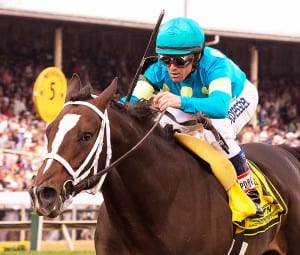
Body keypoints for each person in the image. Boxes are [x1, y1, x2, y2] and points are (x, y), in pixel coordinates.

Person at [122, 17, 262, 216]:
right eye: (165, 59)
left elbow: (220, 107)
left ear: (196, 57)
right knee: (159, 127)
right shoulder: (157, 70)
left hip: (235, 98)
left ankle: (250, 191)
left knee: (216, 130)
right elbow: (129, 103)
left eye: (179, 61)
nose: (171, 67)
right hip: (193, 102)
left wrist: (180, 101)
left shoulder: (215, 65)